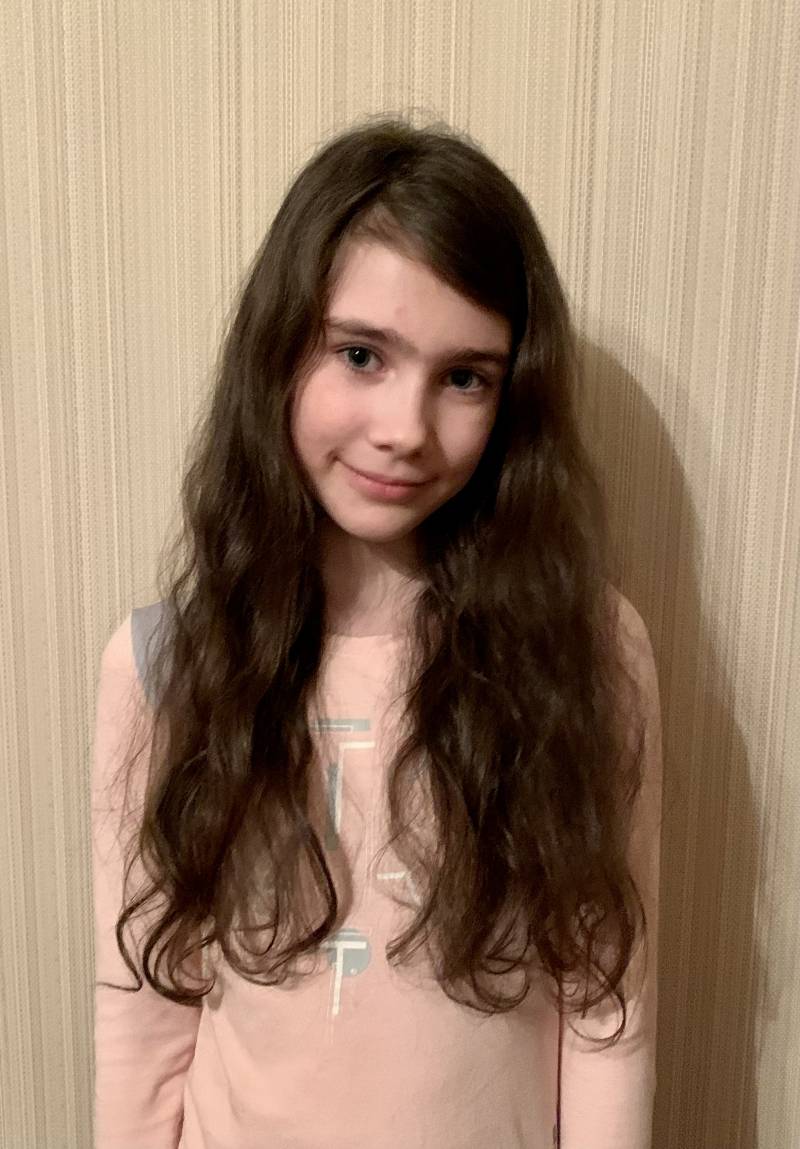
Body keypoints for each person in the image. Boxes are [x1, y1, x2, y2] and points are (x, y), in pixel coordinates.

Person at [91, 115, 663, 1149]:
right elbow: (144, 1012)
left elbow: (606, 1008)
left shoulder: (586, 653)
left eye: (464, 377)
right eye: (360, 355)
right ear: (279, 352)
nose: (405, 429)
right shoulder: (168, 666)